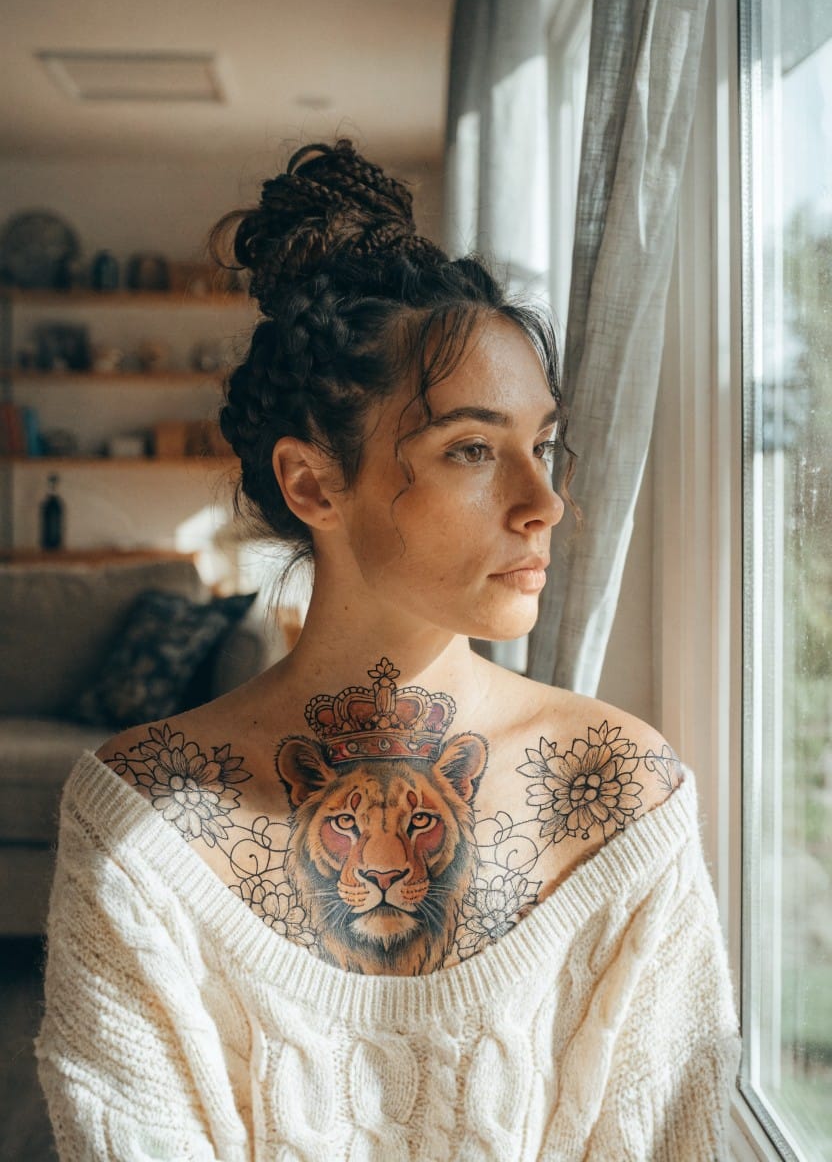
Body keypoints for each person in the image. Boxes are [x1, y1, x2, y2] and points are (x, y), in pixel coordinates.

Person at [36, 138, 741, 1160]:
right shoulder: (143, 818)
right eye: (470, 449)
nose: (544, 502)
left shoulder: (621, 790)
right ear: (314, 483)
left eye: (539, 446)